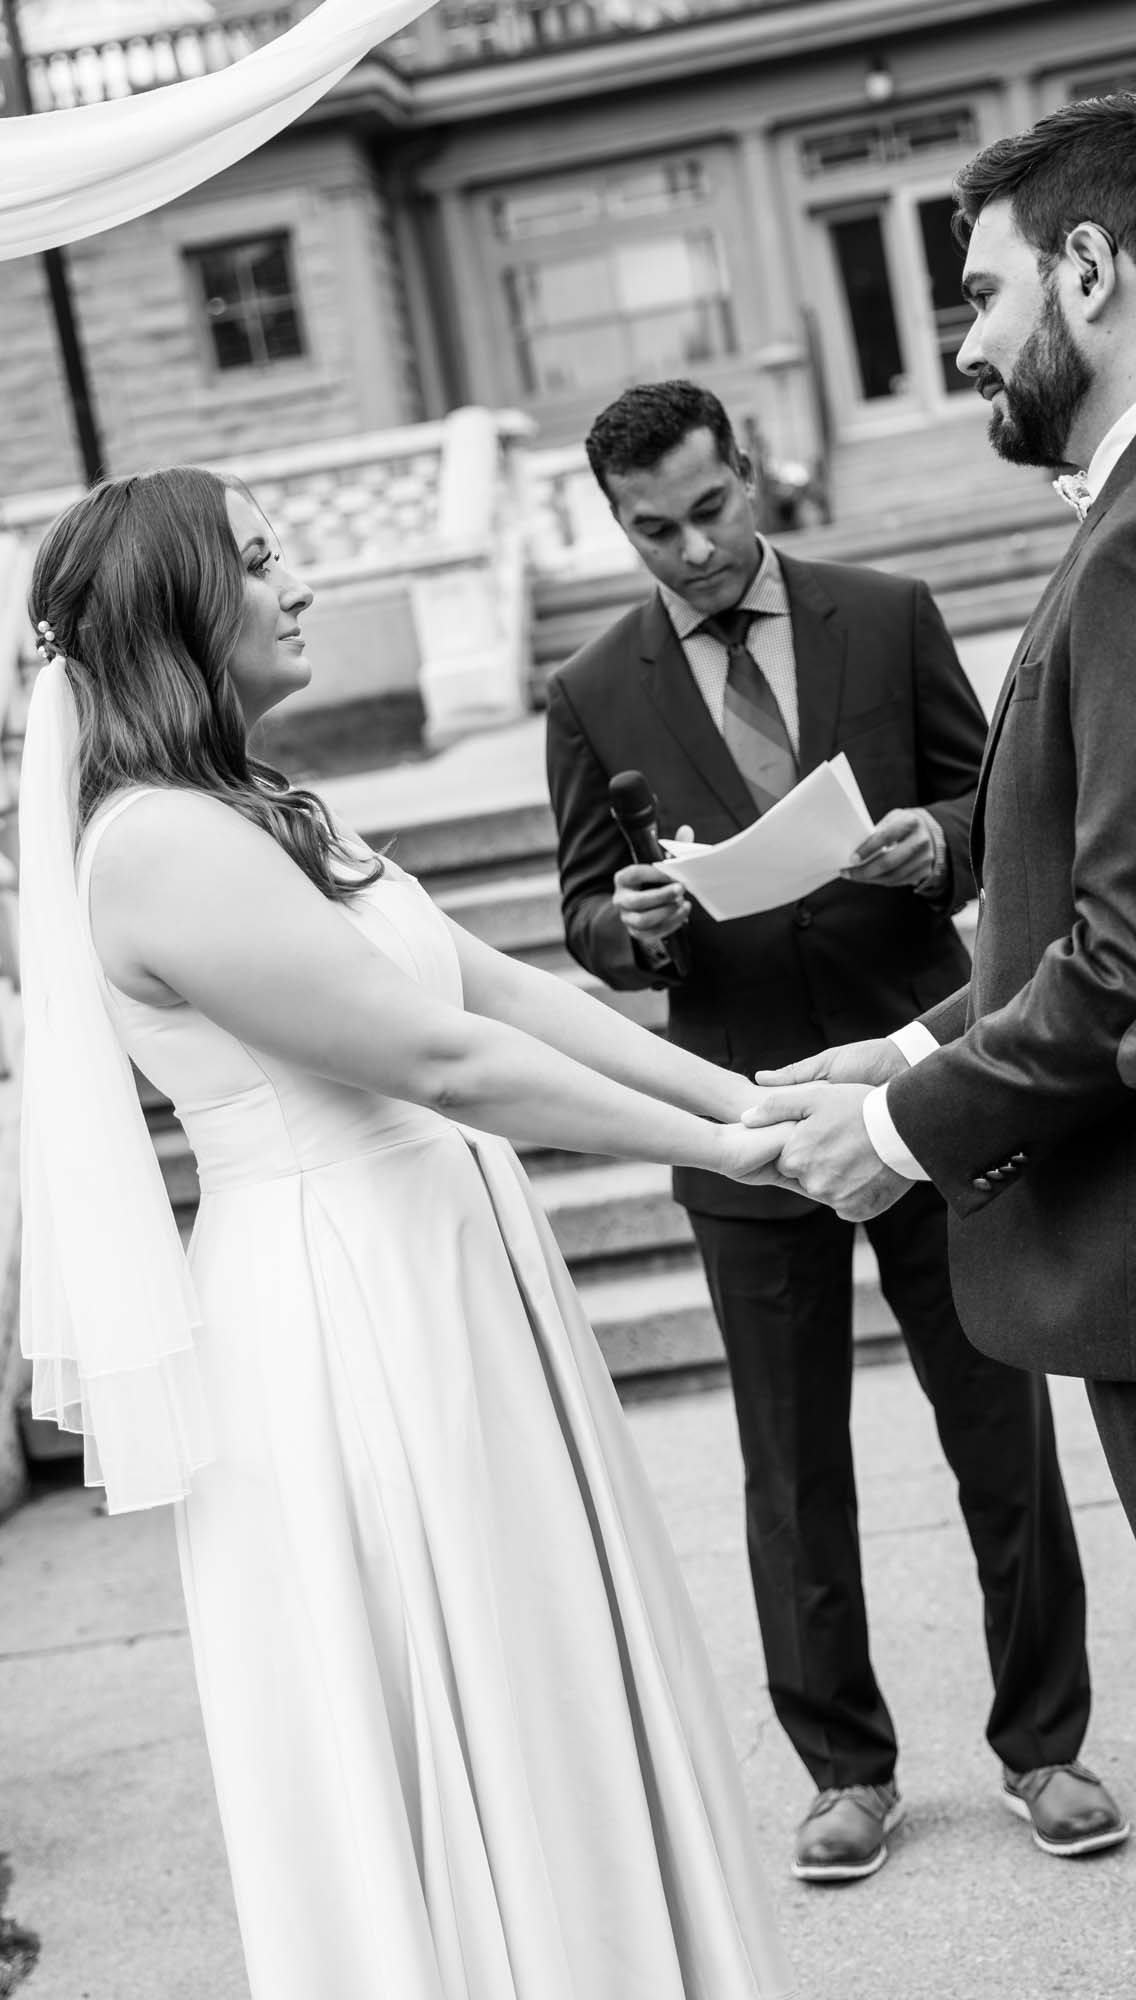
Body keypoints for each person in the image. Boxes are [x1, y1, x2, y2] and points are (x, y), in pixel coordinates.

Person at [17, 467, 800, 2000]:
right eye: (257, 561)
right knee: (463, 1682)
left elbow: (488, 988)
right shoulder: (160, 847)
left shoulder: (259, 804)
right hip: (344, 1306)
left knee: (536, 1665)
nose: (298, 581)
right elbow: (435, 1061)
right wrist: (723, 1156)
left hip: (430, 1263)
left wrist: (750, 1095)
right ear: (177, 613)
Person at [745, 93, 1136, 1993]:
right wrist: (909, 1035)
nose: (966, 341)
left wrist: (908, 1129)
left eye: (985, 290)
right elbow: (1117, 898)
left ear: (1092, 270)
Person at [544, 379, 1125, 1883]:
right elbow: (585, 915)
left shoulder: (884, 609)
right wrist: (636, 922)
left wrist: (938, 839)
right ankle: (842, 1773)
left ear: (754, 473)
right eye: (650, 529)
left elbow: (999, 806)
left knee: (997, 1430)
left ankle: (1044, 1746)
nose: (690, 549)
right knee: (788, 1467)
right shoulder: (591, 685)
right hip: (739, 1123)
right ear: (613, 524)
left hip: (925, 1087)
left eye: (710, 507)